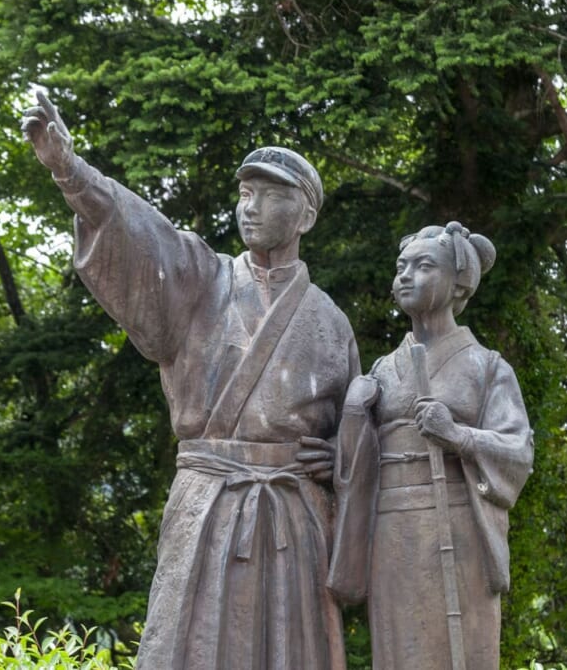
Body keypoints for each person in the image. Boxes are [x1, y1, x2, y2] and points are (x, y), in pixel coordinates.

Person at [21, 91, 358, 669]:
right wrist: (70, 172)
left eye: (271, 196)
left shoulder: (331, 323)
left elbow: (358, 437)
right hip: (208, 503)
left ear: (305, 215)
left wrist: (339, 459)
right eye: (245, 195)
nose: (251, 208)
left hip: (294, 515)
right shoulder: (202, 279)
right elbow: (139, 234)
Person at [327, 222, 533, 670]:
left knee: (465, 648)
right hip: (391, 528)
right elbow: (352, 467)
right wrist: (355, 415)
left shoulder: (486, 367)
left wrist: (459, 435)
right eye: (401, 266)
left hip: (457, 524)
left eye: (423, 266)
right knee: (399, 649)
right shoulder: (383, 369)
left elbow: (518, 451)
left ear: (459, 284)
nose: (406, 276)